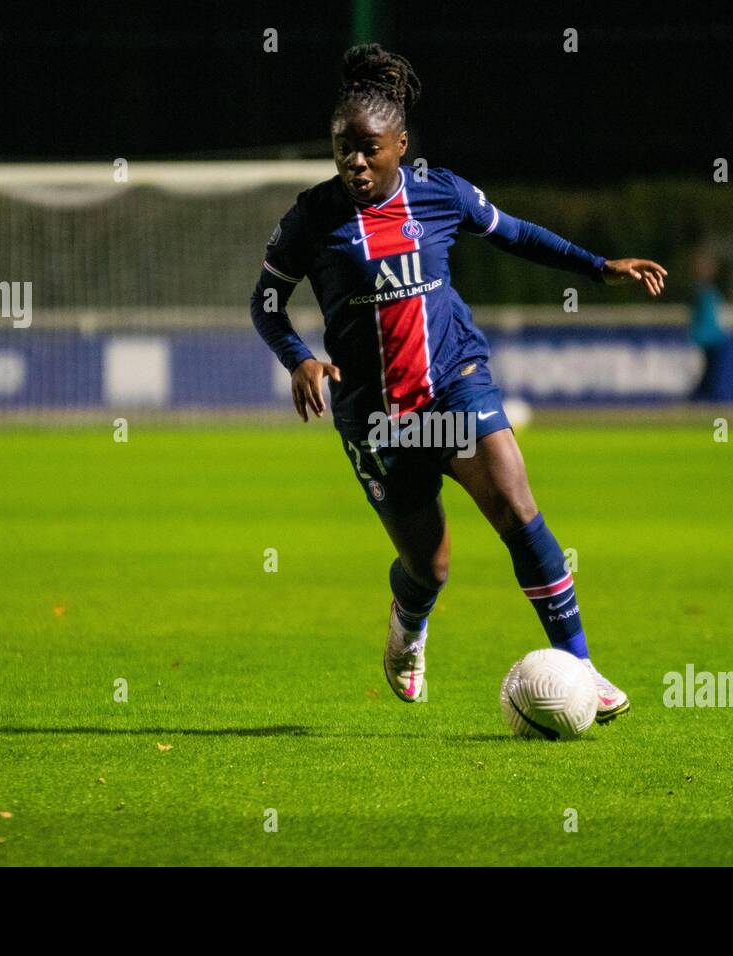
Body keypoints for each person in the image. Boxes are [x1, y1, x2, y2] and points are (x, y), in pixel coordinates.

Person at [250, 44, 666, 723]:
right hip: (379, 417)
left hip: (455, 384)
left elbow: (518, 233)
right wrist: (297, 356)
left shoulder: (440, 192)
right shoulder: (311, 219)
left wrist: (598, 267)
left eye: (370, 149)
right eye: (342, 149)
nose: (355, 162)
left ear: (400, 145)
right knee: (430, 566)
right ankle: (408, 627)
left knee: (516, 504)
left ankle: (583, 666)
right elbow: (264, 302)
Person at [687, 248, 728, 401]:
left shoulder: (711, 290)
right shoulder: (698, 290)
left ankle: (707, 396)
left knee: (711, 370)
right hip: (703, 338)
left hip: (714, 337)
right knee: (702, 371)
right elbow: (696, 315)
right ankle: (701, 397)